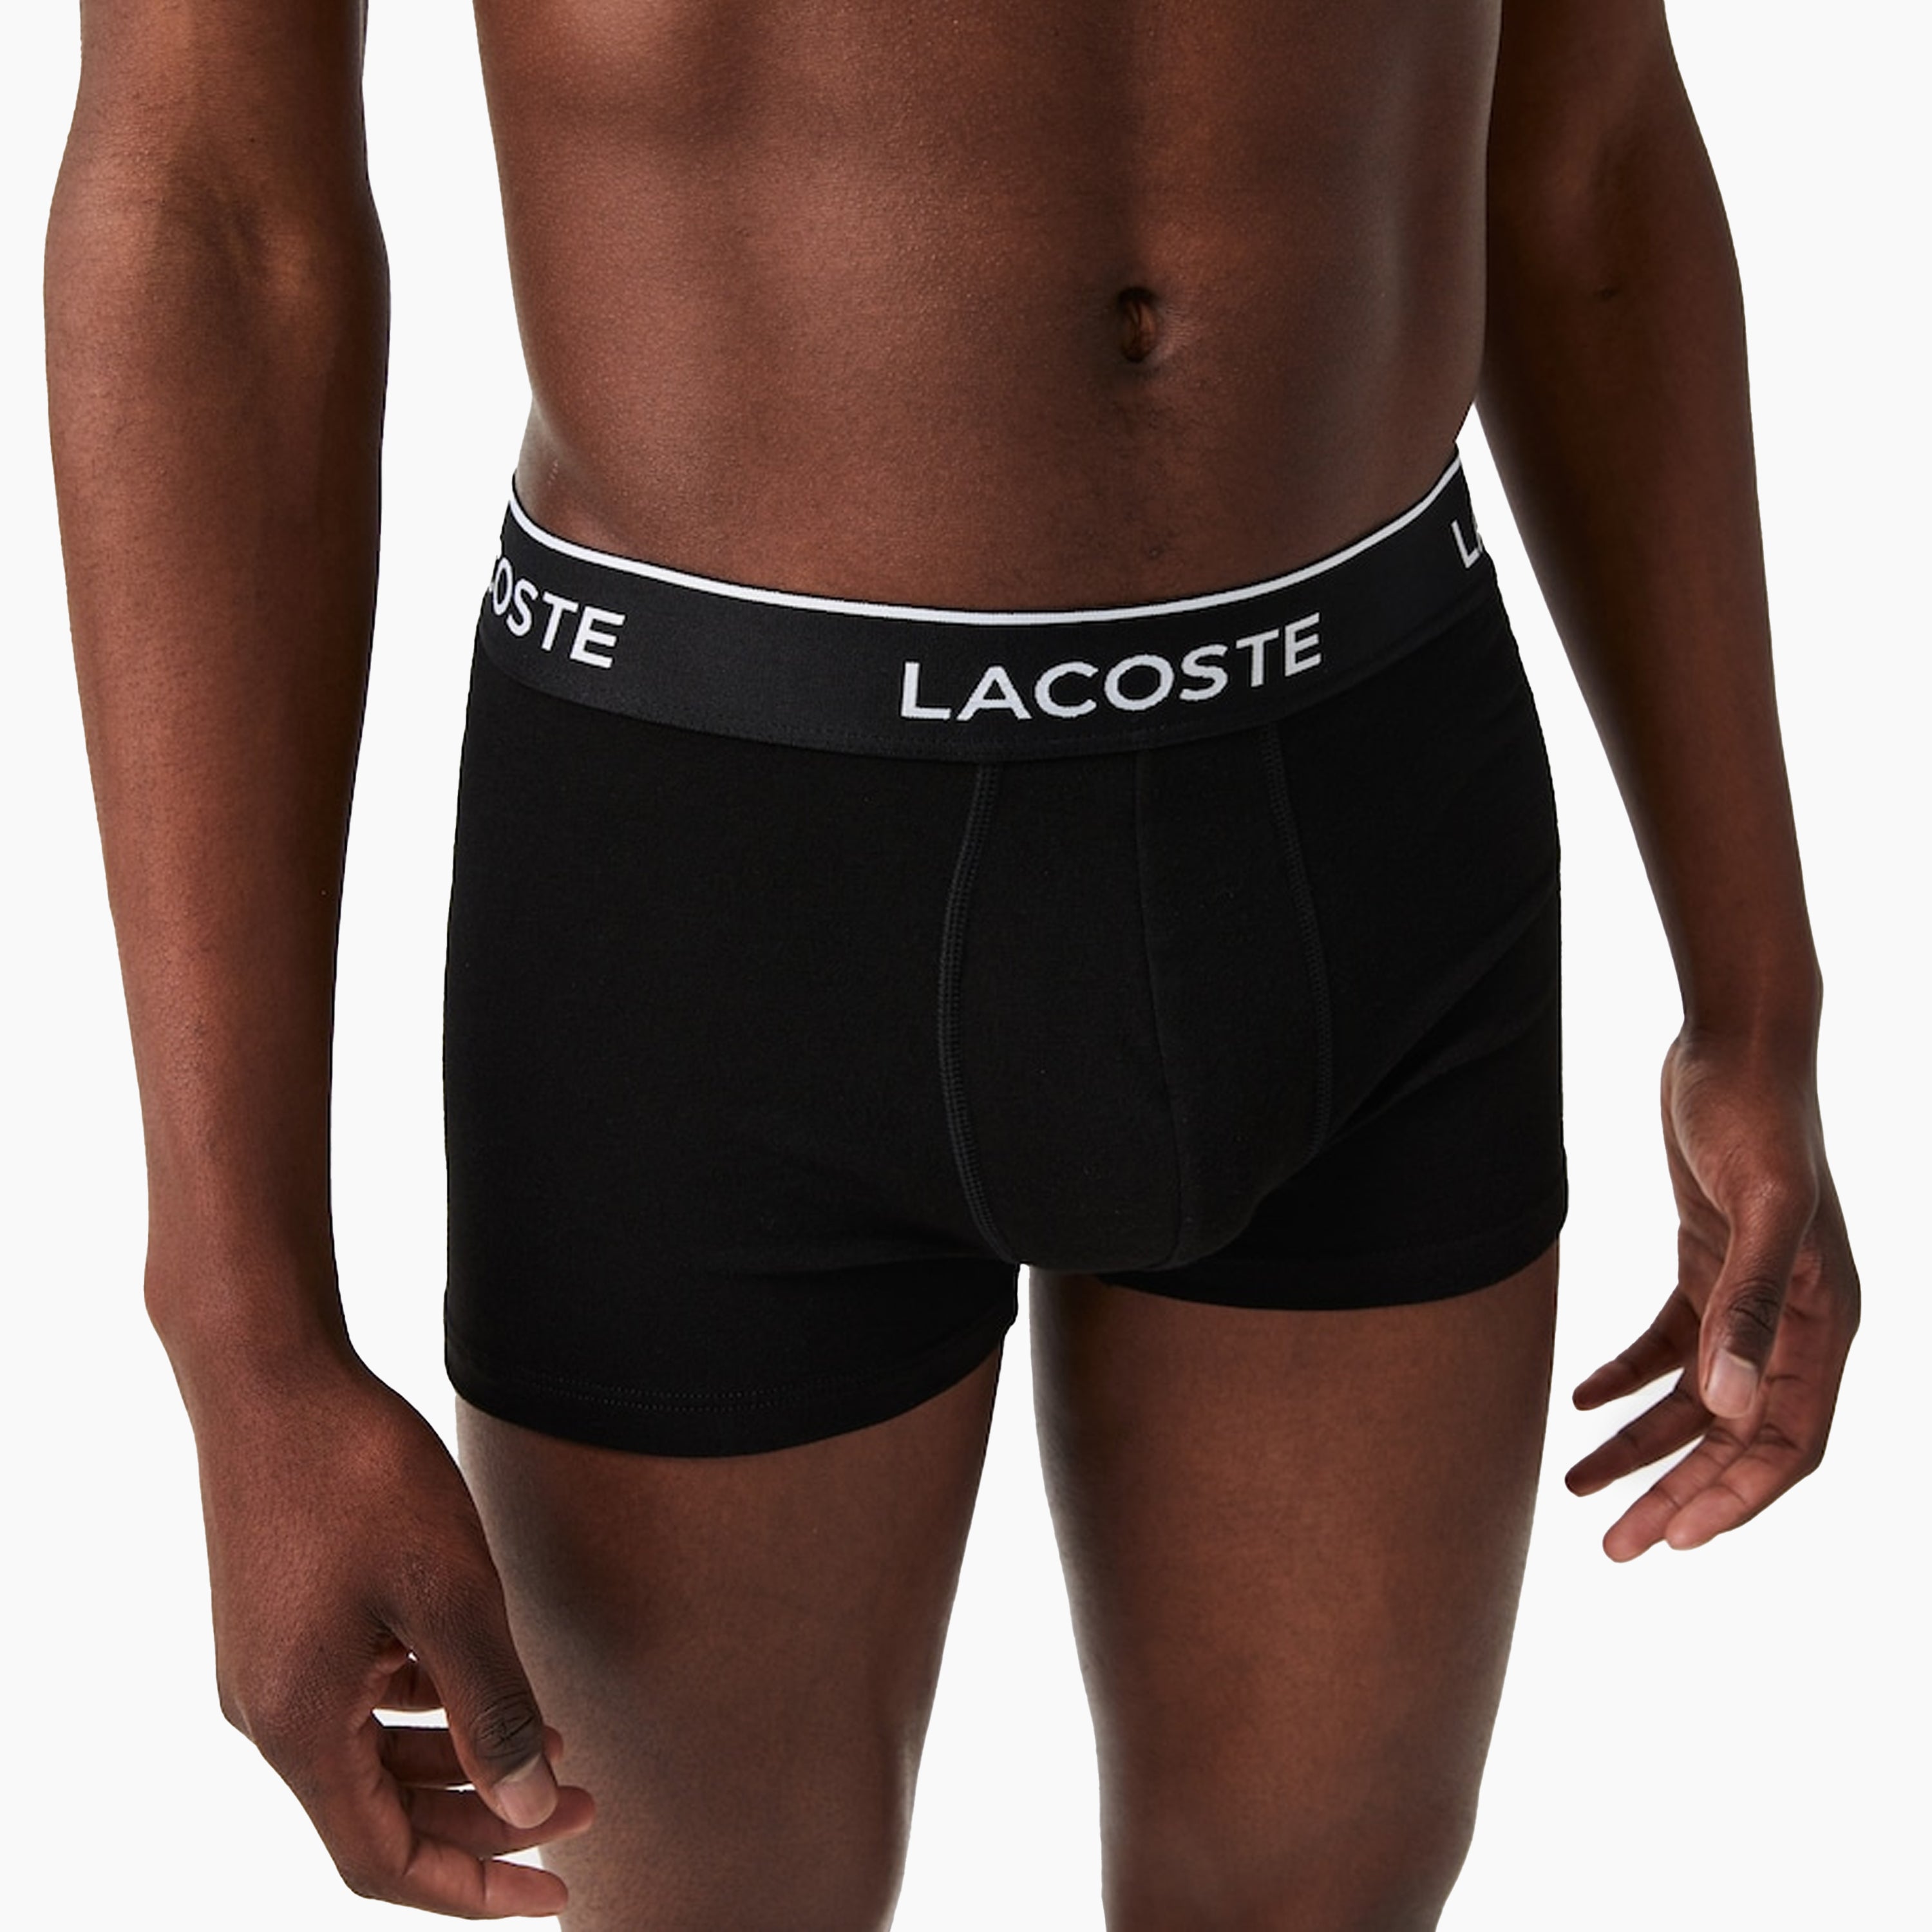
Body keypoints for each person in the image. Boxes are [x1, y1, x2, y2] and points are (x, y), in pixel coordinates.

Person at [44, 0, 1861, 1925]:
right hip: (725, 886)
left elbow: (1586, 140)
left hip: (1364, 811)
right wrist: (243, 1331)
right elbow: (211, 203)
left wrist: (1756, 997)